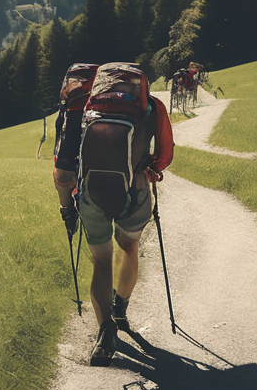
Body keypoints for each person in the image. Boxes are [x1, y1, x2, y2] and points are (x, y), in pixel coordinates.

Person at [53, 66, 173, 366]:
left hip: (91, 191)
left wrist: (67, 208)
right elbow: (165, 155)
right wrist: (149, 168)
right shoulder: (151, 106)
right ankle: (120, 308)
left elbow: (63, 171)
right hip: (135, 189)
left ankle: (106, 331)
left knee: (102, 260)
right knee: (129, 247)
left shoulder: (83, 108)